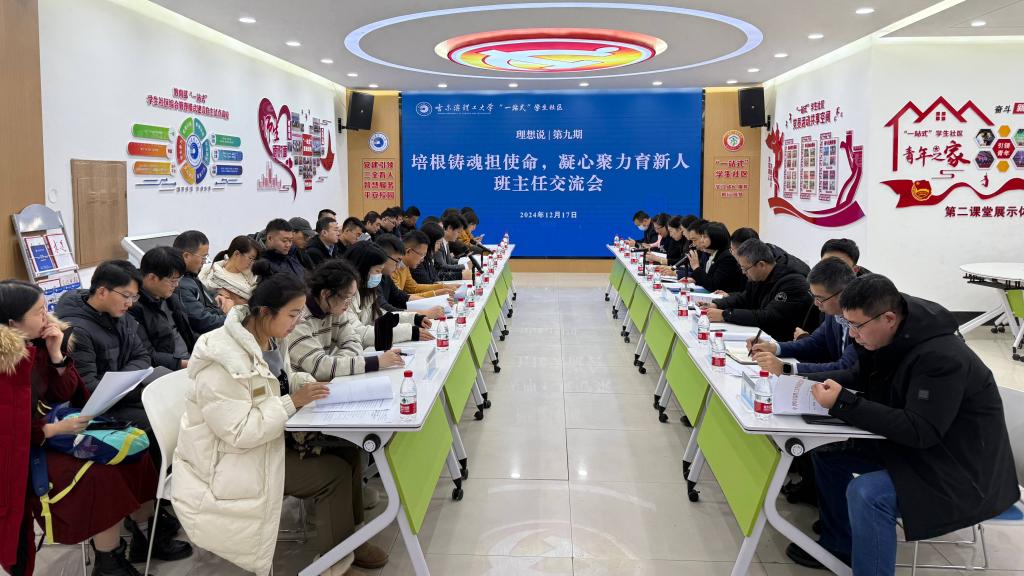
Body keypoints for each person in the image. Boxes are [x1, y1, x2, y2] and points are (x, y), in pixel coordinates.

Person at [784, 274, 1020, 575]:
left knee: (867, 494)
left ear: (889, 318)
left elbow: (920, 430)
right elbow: (859, 376)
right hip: (921, 450)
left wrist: (844, 403)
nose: (852, 335)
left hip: (960, 469)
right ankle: (840, 545)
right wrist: (799, 380)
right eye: (848, 324)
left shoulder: (941, 357)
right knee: (828, 453)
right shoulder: (890, 337)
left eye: (856, 326)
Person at [172, 271, 388, 576]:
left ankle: (350, 540)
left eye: (300, 313)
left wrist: (305, 384)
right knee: (334, 474)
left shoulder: (269, 338)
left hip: (268, 439)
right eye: (292, 314)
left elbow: (279, 381)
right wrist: (293, 402)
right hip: (230, 460)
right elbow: (239, 432)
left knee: (348, 452)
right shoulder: (221, 359)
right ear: (264, 312)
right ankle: (334, 564)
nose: (297, 322)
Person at [0, 280, 191, 576]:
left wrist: (57, 357)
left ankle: (145, 531)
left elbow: (65, 393)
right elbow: (9, 432)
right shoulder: (6, 363)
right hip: (24, 451)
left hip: (53, 429)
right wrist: (54, 430)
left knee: (134, 451)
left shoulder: (40, 343)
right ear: (13, 324)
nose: (47, 317)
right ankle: (108, 561)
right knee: (100, 475)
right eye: (39, 312)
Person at [286, 259, 404, 379]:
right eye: (346, 298)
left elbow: (355, 342)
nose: (348, 303)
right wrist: (375, 362)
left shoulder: (334, 309)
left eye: (352, 298)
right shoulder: (298, 319)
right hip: (304, 386)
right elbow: (320, 366)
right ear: (325, 294)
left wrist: (335, 365)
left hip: (328, 381)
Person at [749, 257, 859, 376]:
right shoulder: (833, 313)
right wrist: (774, 347)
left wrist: (787, 368)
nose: (816, 303)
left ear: (842, 294)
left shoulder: (861, 320)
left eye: (820, 298)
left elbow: (845, 367)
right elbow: (814, 342)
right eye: (814, 296)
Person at [705, 238, 814, 342]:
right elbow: (745, 298)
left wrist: (725, 315)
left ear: (761, 264)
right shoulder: (758, 276)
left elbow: (769, 317)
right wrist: (716, 304)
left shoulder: (792, 282)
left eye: (745, 268)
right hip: (763, 335)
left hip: (782, 341)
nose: (743, 272)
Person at [344, 241, 432, 346]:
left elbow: (380, 316)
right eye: (377, 271)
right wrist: (408, 332)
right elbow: (359, 334)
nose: (379, 276)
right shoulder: (344, 296)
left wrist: (413, 318)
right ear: (362, 269)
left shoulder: (367, 291)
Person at [130, 246, 196, 372]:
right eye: (173, 281)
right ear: (152, 278)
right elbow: (147, 354)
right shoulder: (132, 306)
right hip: (168, 369)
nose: (176, 285)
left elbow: (187, 333)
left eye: (178, 280)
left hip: (189, 359)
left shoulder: (170, 298)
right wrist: (187, 364)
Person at [172, 230, 228, 334]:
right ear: (186, 256)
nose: (204, 261)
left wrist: (218, 297)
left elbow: (206, 301)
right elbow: (203, 322)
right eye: (203, 257)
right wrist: (234, 321)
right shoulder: (181, 285)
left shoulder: (190, 276)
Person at [393, 230, 456, 299]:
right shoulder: (392, 268)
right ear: (408, 251)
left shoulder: (405, 265)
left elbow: (413, 288)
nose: (422, 260)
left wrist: (443, 287)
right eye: (421, 255)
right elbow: (398, 298)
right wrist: (436, 293)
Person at [200, 235, 260, 306]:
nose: (252, 263)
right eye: (250, 258)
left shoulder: (254, 280)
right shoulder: (208, 273)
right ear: (237, 254)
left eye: (254, 260)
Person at [685, 222, 745, 293]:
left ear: (716, 238)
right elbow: (708, 279)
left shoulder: (727, 257)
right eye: (701, 237)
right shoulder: (711, 254)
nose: (701, 240)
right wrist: (695, 280)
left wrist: (696, 267)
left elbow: (714, 286)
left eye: (704, 237)